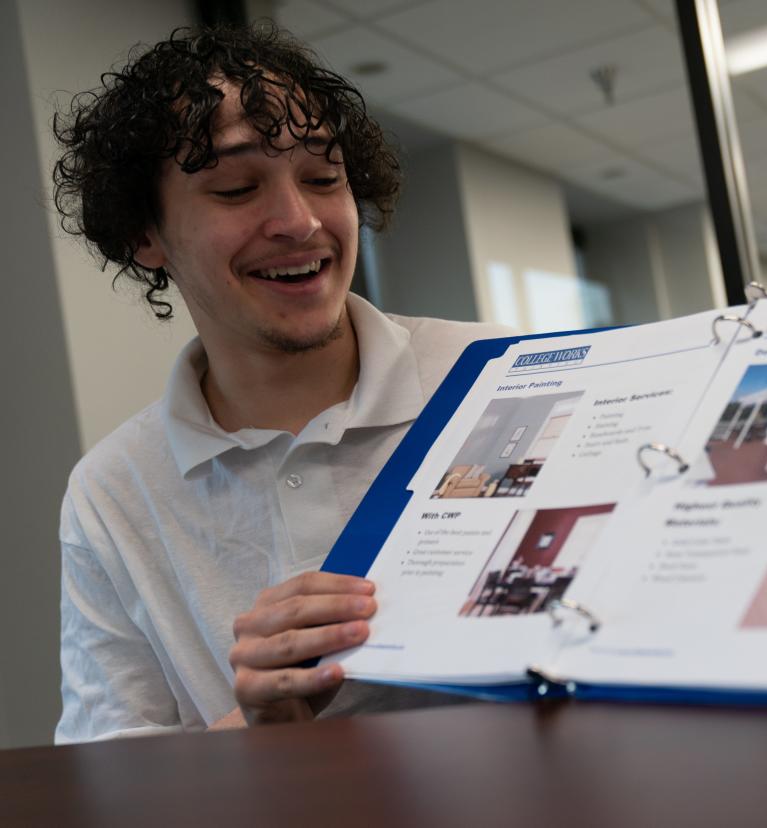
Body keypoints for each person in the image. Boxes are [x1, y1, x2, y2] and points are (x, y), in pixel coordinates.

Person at [52, 22, 511, 742]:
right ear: (146, 235)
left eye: (324, 178)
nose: (300, 222)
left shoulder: (500, 379)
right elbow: (107, 786)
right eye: (236, 189)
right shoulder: (113, 492)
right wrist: (253, 724)